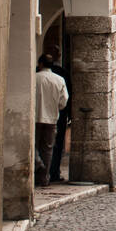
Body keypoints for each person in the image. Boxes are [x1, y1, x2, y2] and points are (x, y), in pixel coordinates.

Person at [35, 54, 69, 187]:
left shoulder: (34, 78)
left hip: (36, 117)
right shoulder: (59, 80)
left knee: (34, 147)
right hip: (52, 119)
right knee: (48, 149)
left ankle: (39, 167)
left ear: (41, 64)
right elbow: (63, 102)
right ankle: (44, 178)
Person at [46, 45, 70, 184]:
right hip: (56, 116)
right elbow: (65, 100)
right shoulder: (61, 75)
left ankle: (40, 172)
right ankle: (53, 172)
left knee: (39, 145)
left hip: (37, 117)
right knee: (55, 146)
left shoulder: (35, 74)